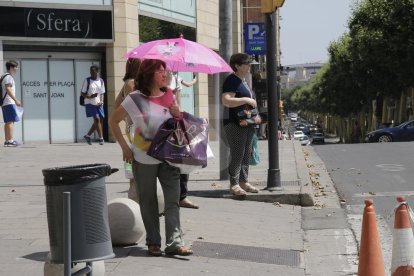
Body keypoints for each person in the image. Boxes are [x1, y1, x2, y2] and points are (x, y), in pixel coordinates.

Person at [109, 59, 193, 257]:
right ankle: (153, 241)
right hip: (142, 158)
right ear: (149, 74)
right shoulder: (135, 98)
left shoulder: (170, 94)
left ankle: (175, 242)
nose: (165, 74)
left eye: (166, 71)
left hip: (169, 156)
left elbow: (176, 124)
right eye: (160, 71)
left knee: (173, 200)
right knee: (148, 202)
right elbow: (113, 121)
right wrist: (125, 147)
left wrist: (178, 114)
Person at [222, 53, 261, 196]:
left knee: (246, 154)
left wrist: (255, 114)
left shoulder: (244, 81)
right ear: (237, 66)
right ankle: (234, 184)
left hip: (248, 123)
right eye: (247, 63)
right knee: (237, 153)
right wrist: (246, 99)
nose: (250, 65)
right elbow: (226, 100)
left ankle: (244, 181)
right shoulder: (232, 80)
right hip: (234, 123)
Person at [167, 71, 199, 209]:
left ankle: (182, 196)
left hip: (174, 121)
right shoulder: (154, 81)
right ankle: (171, 197)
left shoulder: (175, 77)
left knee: (183, 158)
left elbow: (178, 103)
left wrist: (179, 118)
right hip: (160, 124)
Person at [114, 58, 142, 202]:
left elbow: (116, 103)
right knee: (133, 166)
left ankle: (134, 197)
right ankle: (135, 200)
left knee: (131, 166)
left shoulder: (127, 82)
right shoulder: (131, 83)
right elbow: (137, 105)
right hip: (135, 128)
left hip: (130, 126)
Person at [81, 65, 106, 145]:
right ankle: (101, 139)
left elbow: (102, 93)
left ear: (97, 72)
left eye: (93, 72)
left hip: (98, 103)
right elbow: (82, 93)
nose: (91, 73)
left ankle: (87, 135)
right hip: (89, 102)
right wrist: (89, 97)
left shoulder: (101, 81)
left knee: (99, 120)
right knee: (97, 119)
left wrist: (101, 101)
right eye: (90, 71)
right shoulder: (87, 80)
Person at [1, 60, 21, 147]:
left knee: (7, 122)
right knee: (10, 121)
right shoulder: (9, 77)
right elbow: (8, 89)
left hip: (5, 102)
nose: (17, 69)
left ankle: (7, 140)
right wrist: (16, 100)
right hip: (9, 102)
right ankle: (10, 141)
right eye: (16, 67)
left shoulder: (3, 76)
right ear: (11, 68)